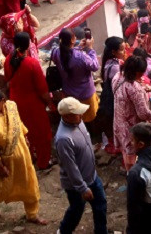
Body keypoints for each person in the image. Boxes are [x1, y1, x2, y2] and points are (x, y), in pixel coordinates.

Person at [0, 87, 47, 224]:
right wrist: (0, 167)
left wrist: (25, 136)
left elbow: (18, 123)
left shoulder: (11, 107)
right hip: (5, 161)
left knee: (30, 183)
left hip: (22, 152)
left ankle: (32, 214)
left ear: (3, 101)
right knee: (5, 189)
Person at [54, 97, 107, 234]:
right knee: (76, 210)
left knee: (100, 205)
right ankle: (63, 231)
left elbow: (82, 144)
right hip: (77, 185)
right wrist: (83, 188)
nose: (81, 115)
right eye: (77, 113)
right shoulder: (64, 139)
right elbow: (71, 168)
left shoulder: (78, 122)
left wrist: (91, 148)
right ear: (67, 116)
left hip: (92, 176)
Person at [2, 32, 54, 170]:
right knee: (42, 134)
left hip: (15, 102)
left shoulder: (8, 60)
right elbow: (42, 89)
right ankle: (44, 162)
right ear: (28, 45)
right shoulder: (32, 64)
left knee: (24, 133)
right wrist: (49, 103)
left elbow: (7, 79)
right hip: (32, 105)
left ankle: (30, 157)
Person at [113, 54, 151, 170]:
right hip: (132, 127)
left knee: (126, 151)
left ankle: (129, 170)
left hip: (119, 122)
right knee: (134, 157)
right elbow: (143, 114)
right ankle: (135, 174)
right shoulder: (135, 89)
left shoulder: (117, 77)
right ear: (138, 72)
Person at [52, 28, 100, 122]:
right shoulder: (81, 57)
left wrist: (77, 47)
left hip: (69, 94)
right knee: (90, 119)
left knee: (75, 119)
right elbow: (95, 66)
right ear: (72, 40)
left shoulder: (56, 52)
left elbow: (67, 54)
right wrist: (90, 49)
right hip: (85, 95)